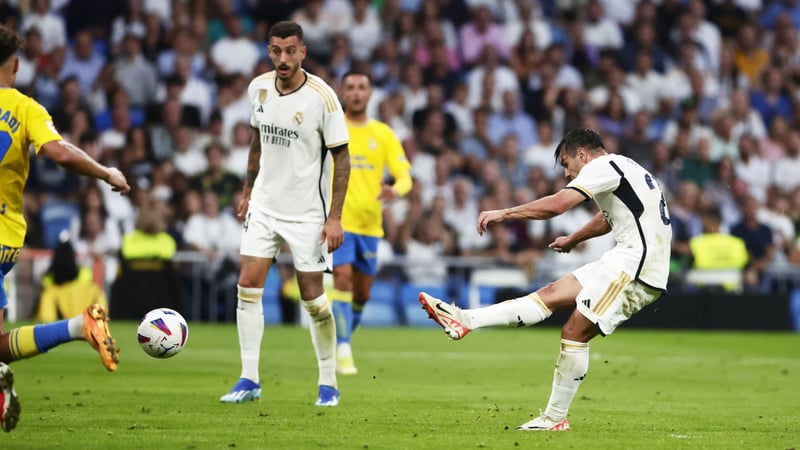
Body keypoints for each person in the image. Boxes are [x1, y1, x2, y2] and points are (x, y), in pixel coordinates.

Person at [418, 128, 672, 431]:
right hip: (625, 259)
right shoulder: (626, 166)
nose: (566, 173)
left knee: (574, 332)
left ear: (582, 154)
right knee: (551, 293)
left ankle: (554, 418)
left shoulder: (602, 166)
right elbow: (609, 218)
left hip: (635, 268)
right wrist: (575, 238)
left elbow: (557, 205)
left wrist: (504, 213)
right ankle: (465, 320)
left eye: (566, 163)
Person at [0, 24, 131, 433]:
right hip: (6, 238)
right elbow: (59, 152)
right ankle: (79, 326)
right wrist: (105, 172)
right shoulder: (26, 108)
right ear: (16, 66)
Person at [219, 21, 350, 407]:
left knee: (313, 299)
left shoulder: (323, 98)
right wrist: (248, 190)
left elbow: (342, 159)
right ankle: (249, 378)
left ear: (302, 52)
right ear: (269, 51)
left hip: (307, 213)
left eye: (290, 51)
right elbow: (257, 142)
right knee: (247, 285)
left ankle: (328, 383)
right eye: (276, 50)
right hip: (264, 205)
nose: (283, 58)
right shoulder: (257, 88)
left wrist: (335, 217)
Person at [330, 70, 411, 375]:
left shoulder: (383, 134)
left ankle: (343, 337)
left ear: (370, 93)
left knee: (362, 294)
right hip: (339, 221)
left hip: (370, 226)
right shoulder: (332, 129)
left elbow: (405, 177)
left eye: (361, 87)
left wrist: (394, 190)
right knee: (342, 280)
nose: (356, 93)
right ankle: (343, 350)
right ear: (342, 92)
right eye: (350, 87)